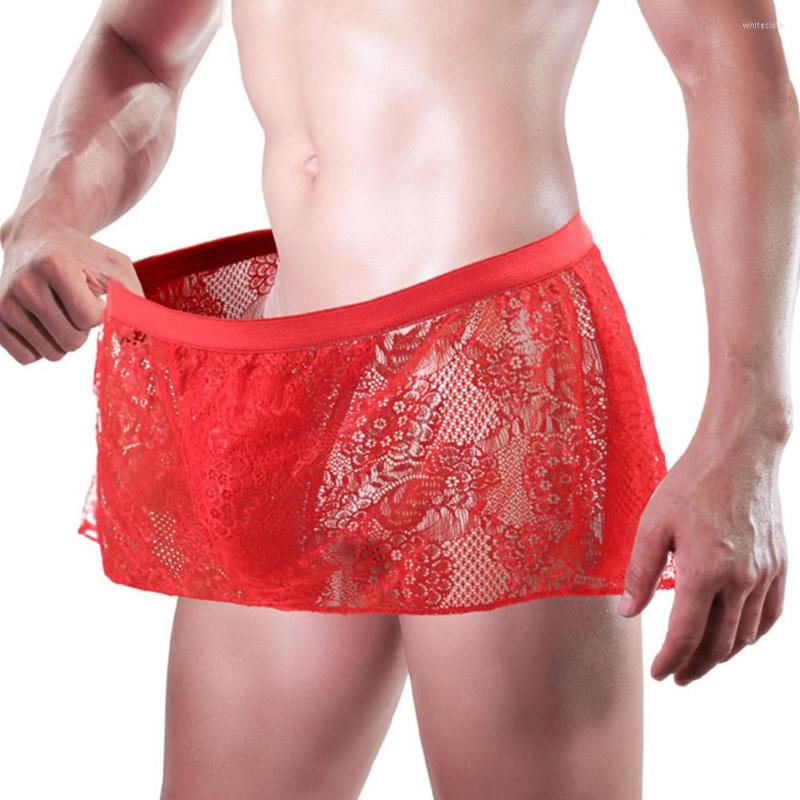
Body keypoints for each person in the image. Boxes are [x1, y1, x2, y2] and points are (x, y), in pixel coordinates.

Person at [0, 1, 797, 798]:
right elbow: (137, 46)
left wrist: (749, 433)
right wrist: (45, 212)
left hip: (491, 381)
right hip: (284, 377)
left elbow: (726, 61)